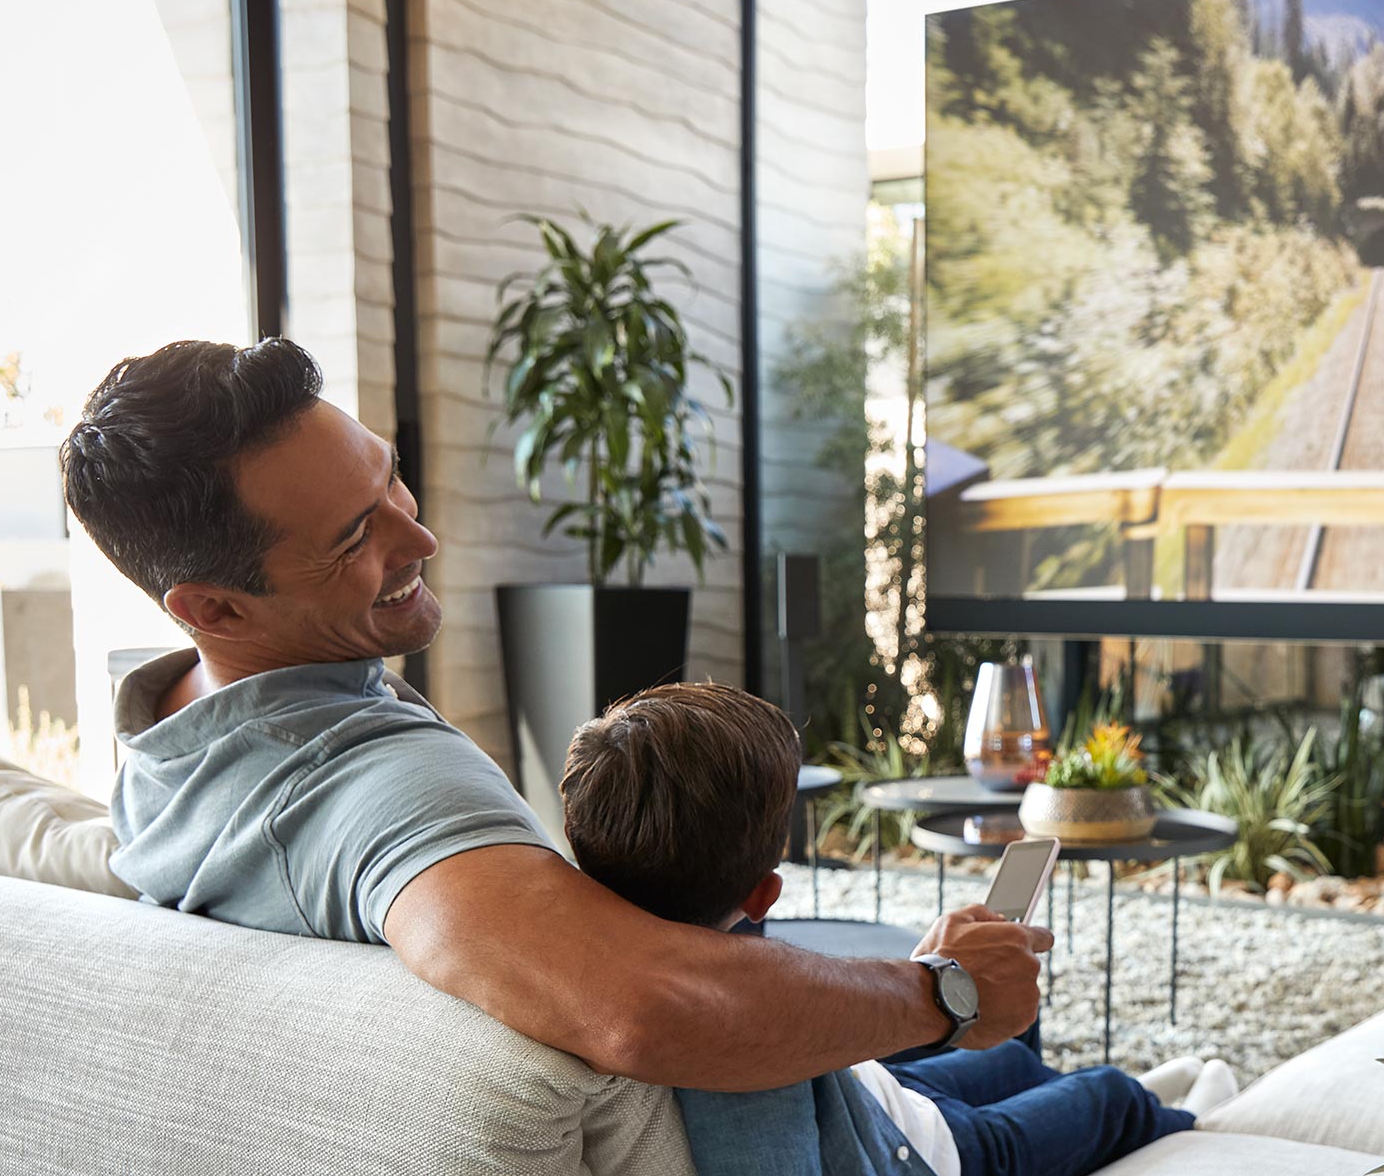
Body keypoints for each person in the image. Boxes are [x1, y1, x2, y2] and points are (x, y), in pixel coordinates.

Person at [61, 338, 1051, 1170]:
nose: (421, 535)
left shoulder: (165, 733)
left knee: (999, 1056)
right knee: (1066, 1073)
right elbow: (641, 1004)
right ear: (214, 607)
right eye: (356, 536)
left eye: (389, 475)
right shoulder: (379, 790)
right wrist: (943, 992)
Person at [558, 682, 1232, 1176]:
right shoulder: (736, 1033)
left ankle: (1091, 1091)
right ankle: (1201, 1119)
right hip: (927, 1151)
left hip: (868, 1089)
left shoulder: (572, 957)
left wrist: (919, 982)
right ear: (765, 895)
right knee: (1108, 1095)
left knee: (1011, 1057)